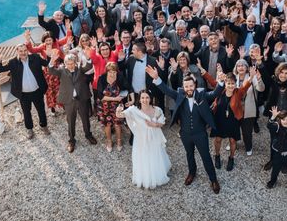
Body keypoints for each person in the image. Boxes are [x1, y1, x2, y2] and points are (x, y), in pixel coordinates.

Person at [146, 65, 224, 194]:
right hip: (185, 134)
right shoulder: (179, 95)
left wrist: (221, 82)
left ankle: (213, 179)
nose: (189, 88)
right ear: (183, 87)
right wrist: (156, 78)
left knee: (206, 156)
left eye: (191, 86)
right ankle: (192, 173)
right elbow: (166, 90)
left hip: (200, 134)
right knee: (189, 155)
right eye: (186, 86)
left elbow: (215, 93)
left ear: (195, 85)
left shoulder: (202, 94)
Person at [116, 91, 171, 189]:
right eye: (142, 98)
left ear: (151, 99)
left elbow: (162, 123)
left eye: (147, 97)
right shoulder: (134, 110)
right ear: (139, 99)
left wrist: (155, 125)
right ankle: (145, 177)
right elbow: (120, 115)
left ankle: (157, 174)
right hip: (141, 139)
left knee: (155, 155)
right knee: (144, 156)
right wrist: (118, 110)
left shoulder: (157, 110)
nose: (145, 100)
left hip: (154, 137)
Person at [0, 44, 50, 139]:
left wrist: (49, 55)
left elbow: (46, 63)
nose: (23, 53)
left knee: (41, 110)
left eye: (25, 50)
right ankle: (29, 129)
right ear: (17, 51)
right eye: (20, 51)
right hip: (24, 94)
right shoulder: (13, 62)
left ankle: (43, 126)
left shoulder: (35, 57)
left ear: (27, 50)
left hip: (37, 91)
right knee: (26, 112)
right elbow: (0, 69)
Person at [48, 52, 97, 153]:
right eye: (68, 63)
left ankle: (88, 135)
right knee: (70, 121)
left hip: (82, 99)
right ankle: (71, 140)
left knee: (85, 118)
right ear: (65, 63)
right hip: (69, 100)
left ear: (75, 62)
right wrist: (52, 60)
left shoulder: (80, 68)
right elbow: (51, 70)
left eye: (72, 63)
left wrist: (88, 58)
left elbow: (88, 66)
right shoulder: (61, 70)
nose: (70, 65)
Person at [96, 62, 130, 152]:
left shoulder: (120, 77)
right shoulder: (102, 78)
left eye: (114, 72)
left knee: (117, 124)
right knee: (107, 124)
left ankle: (119, 140)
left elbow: (127, 88)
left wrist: (123, 96)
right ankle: (109, 141)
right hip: (104, 105)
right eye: (110, 72)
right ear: (107, 71)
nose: (112, 74)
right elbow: (100, 95)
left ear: (117, 72)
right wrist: (115, 98)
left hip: (117, 106)